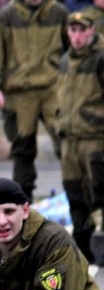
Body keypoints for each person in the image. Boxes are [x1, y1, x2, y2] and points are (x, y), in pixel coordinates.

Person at [0, 0, 69, 202]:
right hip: (19, 91)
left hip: (53, 87)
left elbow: (72, 49)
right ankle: (23, 199)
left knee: (67, 141)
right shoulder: (7, 16)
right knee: (22, 147)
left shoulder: (58, 13)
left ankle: (77, 195)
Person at [56, 10, 104, 269]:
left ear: (91, 31)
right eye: (72, 30)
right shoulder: (65, 61)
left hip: (94, 138)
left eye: (82, 30)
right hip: (70, 140)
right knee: (75, 195)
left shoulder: (100, 59)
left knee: (100, 192)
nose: (77, 35)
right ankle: (82, 248)